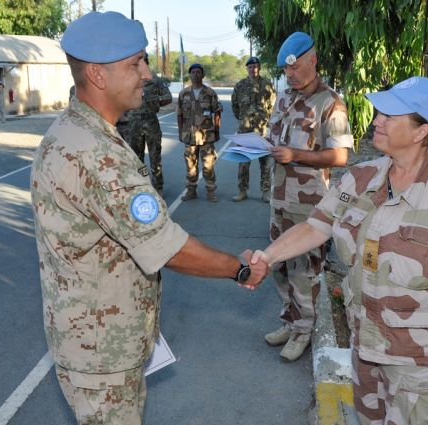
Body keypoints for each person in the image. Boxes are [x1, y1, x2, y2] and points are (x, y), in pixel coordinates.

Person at [30, 12, 267, 425]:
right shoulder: (96, 153)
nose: (147, 74)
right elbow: (167, 248)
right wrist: (240, 268)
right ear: (97, 75)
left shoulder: (75, 130)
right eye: (135, 63)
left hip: (95, 340)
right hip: (103, 353)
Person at [251, 76, 428, 424]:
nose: (377, 121)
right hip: (364, 346)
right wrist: (267, 256)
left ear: (421, 132)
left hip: (417, 358)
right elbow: (315, 226)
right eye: (379, 113)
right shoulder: (360, 178)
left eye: (390, 116)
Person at [263, 32, 354, 361]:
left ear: (312, 60)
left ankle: (303, 331)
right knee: (278, 265)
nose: (289, 74)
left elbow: (340, 156)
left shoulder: (330, 102)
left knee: (303, 269)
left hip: (309, 204)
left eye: (295, 67)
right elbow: (275, 139)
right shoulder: (284, 98)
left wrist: (295, 155)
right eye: (286, 70)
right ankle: (290, 321)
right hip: (279, 198)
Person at [125, 54, 172, 195]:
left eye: (142, 61)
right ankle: (141, 187)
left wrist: (154, 105)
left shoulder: (154, 79)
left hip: (151, 123)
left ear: (146, 62)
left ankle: (158, 188)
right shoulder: (128, 78)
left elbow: (168, 97)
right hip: (133, 124)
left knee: (155, 157)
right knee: (136, 158)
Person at [231, 56, 276, 202]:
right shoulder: (240, 86)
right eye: (250, 67)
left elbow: (272, 107)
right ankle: (242, 191)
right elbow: (235, 107)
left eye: (255, 66)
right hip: (245, 132)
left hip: (263, 131)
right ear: (247, 69)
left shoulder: (267, 85)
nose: (253, 69)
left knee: (265, 163)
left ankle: (266, 192)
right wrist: (244, 120)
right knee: (243, 163)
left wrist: (265, 121)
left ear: (259, 68)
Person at [177, 63, 222, 202]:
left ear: (203, 75)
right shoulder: (184, 93)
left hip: (206, 135)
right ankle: (191, 191)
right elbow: (179, 114)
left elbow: (217, 112)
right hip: (189, 135)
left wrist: (217, 130)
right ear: (190, 75)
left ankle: (211, 191)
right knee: (190, 165)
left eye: (198, 72)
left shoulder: (210, 93)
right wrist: (180, 132)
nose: (195, 74)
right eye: (193, 72)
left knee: (208, 164)